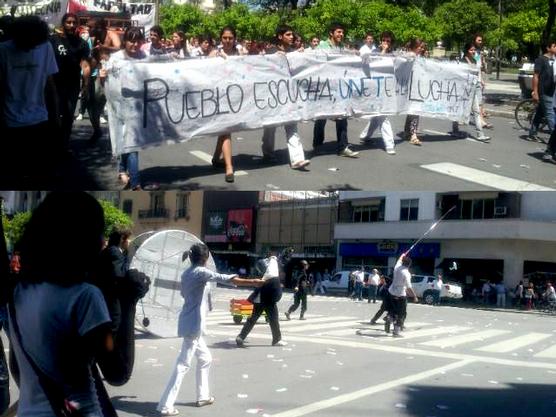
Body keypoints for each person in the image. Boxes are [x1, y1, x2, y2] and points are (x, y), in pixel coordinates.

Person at [8, 192, 115, 417]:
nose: (102, 241)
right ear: (80, 240)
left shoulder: (17, 293)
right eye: (98, 232)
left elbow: (17, 369)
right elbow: (117, 372)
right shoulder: (85, 296)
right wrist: (126, 301)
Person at [157, 243, 263, 416]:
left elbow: (187, 295)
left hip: (189, 321)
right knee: (183, 364)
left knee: (205, 358)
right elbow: (225, 278)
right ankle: (165, 405)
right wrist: (253, 282)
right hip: (193, 324)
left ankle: (203, 396)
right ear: (204, 259)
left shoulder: (187, 273)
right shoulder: (200, 272)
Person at [0, 15, 59, 187]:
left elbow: (50, 84)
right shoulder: (3, 50)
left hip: (39, 118)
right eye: (27, 43)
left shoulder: (45, 47)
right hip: (10, 121)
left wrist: (55, 117)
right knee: (13, 172)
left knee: (39, 171)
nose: (31, 48)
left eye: (35, 44)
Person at [101, 26, 147, 190]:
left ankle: (122, 170)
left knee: (127, 140)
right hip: (120, 106)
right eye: (131, 41)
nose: (134, 44)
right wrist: (102, 77)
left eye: (137, 41)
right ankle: (136, 183)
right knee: (131, 142)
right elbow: (106, 83)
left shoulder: (144, 56)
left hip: (137, 107)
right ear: (125, 41)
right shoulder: (115, 59)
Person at [260, 24, 311, 170]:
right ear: (280, 36)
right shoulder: (270, 52)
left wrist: (300, 56)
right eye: (288, 35)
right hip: (274, 96)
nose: (291, 37)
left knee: (292, 126)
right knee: (270, 127)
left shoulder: (293, 52)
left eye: (292, 35)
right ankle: (268, 153)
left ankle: (297, 159)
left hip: (289, 96)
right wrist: (274, 58)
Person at [313, 22, 359, 158]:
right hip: (324, 87)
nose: (341, 34)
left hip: (339, 88)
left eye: (342, 32)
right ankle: (317, 145)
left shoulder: (341, 48)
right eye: (339, 32)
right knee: (321, 117)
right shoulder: (322, 46)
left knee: (342, 116)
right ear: (331, 33)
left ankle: (342, 146)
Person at [50, 13, 91, 154]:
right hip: (53, 85)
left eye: (74, 22)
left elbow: (85, 66)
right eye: (68, 22)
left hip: (72, 86)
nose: (71, 25)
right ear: (63, 23)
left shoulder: (82, 44)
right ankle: (52, 143)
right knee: (53, 115)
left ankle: (64, 145)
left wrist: (85, 86)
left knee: (68, 117)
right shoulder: (52, 40)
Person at [236, 252, 287, 347]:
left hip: (260, 298)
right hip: (268, 298)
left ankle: (241, 337)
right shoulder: (268, 267)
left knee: (252, 319)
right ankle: (276, 340)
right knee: (274, 320)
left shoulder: (263, 266)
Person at [208, 27, 239, 183]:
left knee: (225, 129)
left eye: (230, 37)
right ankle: (229, 167)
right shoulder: (214, 54)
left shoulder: (239, 54)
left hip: (233, 97)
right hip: (218, 97)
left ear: (234, 39)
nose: (227, 40)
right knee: (226, 130)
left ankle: (215, 158)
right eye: (225, 38)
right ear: (221, 39)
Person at [359, 31, 396, 155]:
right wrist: (384, 52)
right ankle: (390, 144)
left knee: (377, 115)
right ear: (380, 41)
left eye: (388, 41)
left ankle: (364, 136)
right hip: (375, 88)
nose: (386, 43)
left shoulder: (394, 54)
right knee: (383, 116)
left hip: (387, 89)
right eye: (384, 40)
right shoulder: (374, 52)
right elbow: (375, 64)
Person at [461, 41, 490, 141]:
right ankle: (455, 128)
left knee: (476, 111)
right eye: (471, 50)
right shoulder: (463, 61)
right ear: (467, 50)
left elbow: (479, 69)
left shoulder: (474, 59)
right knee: (459, 109)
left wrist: (480, 81)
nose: (473, 51)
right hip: (464, 89)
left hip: (474, 87)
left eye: (474, 50)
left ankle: (480, 134)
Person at [529, 40, 556, 141]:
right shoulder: (541, 59)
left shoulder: (555, 60)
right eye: (554, 46)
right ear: (548, 48)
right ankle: (554, 137)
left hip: (552, 91)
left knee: (540, 112)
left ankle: (532, 132)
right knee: (550, 115)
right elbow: (536, 76)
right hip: (544, 90)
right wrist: (535, 91)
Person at [403, 38, 426, 145]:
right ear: (413, 47)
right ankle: (413, 134)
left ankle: (408, 131)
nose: (421, 49)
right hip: (410, 87)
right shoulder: (409, 56)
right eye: (419, 47)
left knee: (413, 110)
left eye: (422, 47)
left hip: (417, 86)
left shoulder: (420, 57)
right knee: (415, 110)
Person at [388, 254, 419, 337]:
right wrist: (414, 296)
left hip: (392, 291)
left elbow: (399, 260)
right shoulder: (406, 273)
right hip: (400, 293)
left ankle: (390, 317)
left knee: (394, 309)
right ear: (409, 264)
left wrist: (402, 255)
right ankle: (396, 331)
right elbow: (409, 287)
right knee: (401, 313)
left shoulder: (396, 267)